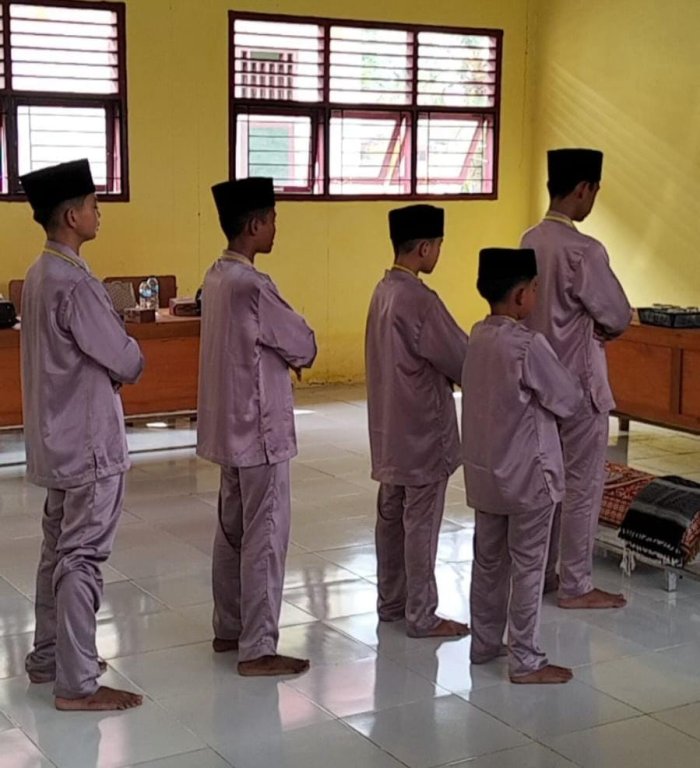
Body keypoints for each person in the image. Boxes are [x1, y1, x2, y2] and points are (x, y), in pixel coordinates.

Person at [20, 159, 145, 711]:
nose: (99, 214)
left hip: (56, 439)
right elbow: (125, 359)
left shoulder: (39, 273)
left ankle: (49, 657)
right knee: (81, 557)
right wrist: (128, 353)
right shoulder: (75, 283)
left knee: (57, 552)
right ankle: (77, 683)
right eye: (94, 206)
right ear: (72, 216)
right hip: (89, 443)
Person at [197, 177, 317, 676]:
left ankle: (230, 627)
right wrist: (298, 353)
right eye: (271, 220)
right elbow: (301, 341)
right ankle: (259, 647)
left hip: (229, 426)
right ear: (253, 225)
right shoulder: (253, 285)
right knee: (265, 533)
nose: (275, 229)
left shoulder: (215, 276)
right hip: (260, 428)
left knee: (232, 530)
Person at [464, 247, 582, 683]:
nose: (536, 295)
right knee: (528, 566)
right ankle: (526, 659)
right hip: (529, 477)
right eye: (534, 288)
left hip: (486, 475)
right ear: (520, 296)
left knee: (488, 562)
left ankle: (484, 644)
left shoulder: (477, 336)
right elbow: (567, 399)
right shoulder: (528, 345)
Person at [521, 149, 632, 609]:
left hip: (538, 383)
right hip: (580, 387)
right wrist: (597, 327)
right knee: (582, 487)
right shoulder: (585, 250)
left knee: (546, 483)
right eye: (594, 191)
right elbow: (618, 314)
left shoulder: (529, 240)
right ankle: (576, 584)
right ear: (583, 189)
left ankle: (544, 573)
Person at [365, 204, 469, 638]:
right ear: (425, 248)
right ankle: (422, 614)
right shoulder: (421, 300)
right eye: (439, 245)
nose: (439, 252)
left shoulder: (383, 291)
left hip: (389, 429)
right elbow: (460, 358)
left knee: (391, 517)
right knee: (421, 523)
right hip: (423, 431)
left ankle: (391, 601)